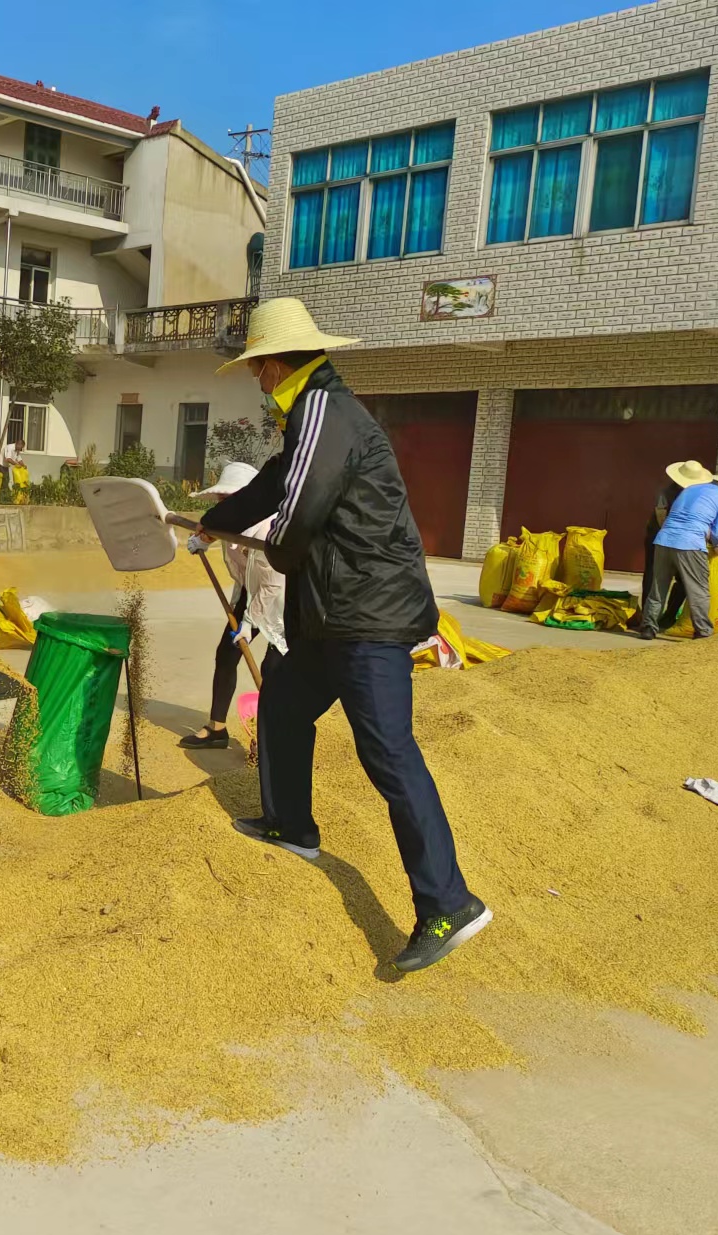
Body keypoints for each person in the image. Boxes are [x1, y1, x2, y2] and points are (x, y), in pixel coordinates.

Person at [197, 297, 489, 976]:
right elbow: (275, 484)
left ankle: (449, 903)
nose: (255, 381)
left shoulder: (326, 413)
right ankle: (291, 824)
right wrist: (218, 523)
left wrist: (261, 548)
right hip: (334, 615)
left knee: (388, 752)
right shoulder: (311, 417)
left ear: (274, 364)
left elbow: (296, 516)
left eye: (256, 368)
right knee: (284, 705)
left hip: (369, 615)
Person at [179, 462, 284, 749]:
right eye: (222, 501)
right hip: (252, 594)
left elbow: (274, 584)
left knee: (274, 664)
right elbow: (240, 566)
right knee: (226, 653)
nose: (225, 507)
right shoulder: (231, 527)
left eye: (231, 501)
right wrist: (205, 539)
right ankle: (217, 729)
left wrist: (250, 622)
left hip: (285, 601)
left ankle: (273, 738)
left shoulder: (268, 531)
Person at [637, 465, 718, 639]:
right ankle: (703, 631)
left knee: (658, 588)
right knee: (699, 589)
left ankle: (648, 628)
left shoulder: (690, 489)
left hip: (663, 540)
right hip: (690, 544)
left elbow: (675, 514)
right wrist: (717, 545)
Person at [634, 460, 701, 633]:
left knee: (681, 578)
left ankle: (668, 616)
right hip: (660, 536)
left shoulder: (695, 494)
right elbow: (661, 516)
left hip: (681, 538)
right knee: (655, 577)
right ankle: (650, 620)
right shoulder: (667, 492)